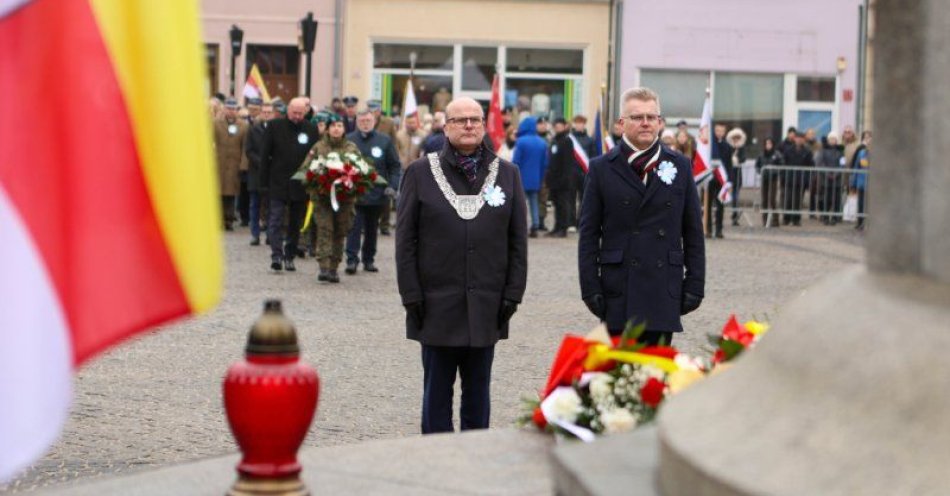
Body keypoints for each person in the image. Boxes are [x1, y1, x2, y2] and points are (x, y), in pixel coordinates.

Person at [395, 96, 528, 434]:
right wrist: (411, 295)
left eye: (475, 120)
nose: (469, 126)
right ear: (445, 127)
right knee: (436, 394)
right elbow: (405, 241)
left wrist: (513, 294)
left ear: (484, 125)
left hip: (487, 304)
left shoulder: (508, 174)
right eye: (460, 120)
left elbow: (517, 242)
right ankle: (438, 463)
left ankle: (475, 460)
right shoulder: (420, 173)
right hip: (436, 304)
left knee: (478, 395)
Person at [578, 87, 705, 345]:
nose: (645, 123)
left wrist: (695, 283)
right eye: (637, 117)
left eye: (651, 116)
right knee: (619, 376)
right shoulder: (602, 168)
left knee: (655, 376)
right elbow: (589, 234)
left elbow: (693, 231)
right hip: (619, 287)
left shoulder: (680, 165)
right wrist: (590, 287)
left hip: (662, 286)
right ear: (621, 123)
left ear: (660, 122)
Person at [260, 97, 319, 272]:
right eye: (294, 112)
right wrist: (263, 183)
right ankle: (276, 255)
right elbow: (264, 156)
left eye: (301, 113)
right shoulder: (274, 126)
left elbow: (315, 157)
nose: (297, 116)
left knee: (295, 223)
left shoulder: (310, 128)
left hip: (300, 184)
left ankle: (290, 255)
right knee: (275, 220)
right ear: (288, 110)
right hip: (277, 182)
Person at [300, 114, 360, 283]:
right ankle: (324, 267)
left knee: (340, 231)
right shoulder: (319, 147)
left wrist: (351, 184)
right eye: (332, 125)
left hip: (345, 199)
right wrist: (316, 182)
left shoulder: (351, 148)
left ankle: (334, 267)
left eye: (339, 125)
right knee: (325, 230)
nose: (336, 129)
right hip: (322, 198)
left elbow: (361, 171)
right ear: (327, 128)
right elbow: (306, 169)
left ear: (344, 128)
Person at [345, 109, 401, 274]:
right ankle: (351, 260)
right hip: (354, 194)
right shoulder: (349, 140)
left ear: (374, 121)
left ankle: (368, 260)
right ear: (357, 122)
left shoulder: (384, 140)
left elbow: (394, 166)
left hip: (378, 194)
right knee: (354, 228)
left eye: (368, 120)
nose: (365, 123)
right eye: (362, 121)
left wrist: (392, 186)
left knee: (371, 229)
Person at [213, 98, 249, 231]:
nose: (231, 111)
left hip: (235, 163)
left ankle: (229, 219)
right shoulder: (216, 123)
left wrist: (244, 165)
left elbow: (245, 147)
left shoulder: (244, 126)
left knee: (231, 193)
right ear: (224, 109)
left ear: (237, 110)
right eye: (228, 108)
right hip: (219, 162)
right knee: (218, 192)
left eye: (233, 109)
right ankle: (218, 219)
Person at [245, 102, 276, 245]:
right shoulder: (253, 129)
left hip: (272, 173)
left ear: (273, 114)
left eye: (269, 112)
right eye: (264, 112)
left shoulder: (277, 129)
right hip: (256, 172)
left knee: (271, 206)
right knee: (254, 205)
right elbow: (249, 151)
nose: (266, 114)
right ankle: (255, 234)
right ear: (260, 113)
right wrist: (261, 162)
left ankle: (271, 235)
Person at [512, 116, 548, 238]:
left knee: (521, 203)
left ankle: (522, 226)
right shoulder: (542, 143)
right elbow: (545, 163)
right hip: (536, 178)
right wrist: (541, 177)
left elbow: (516, 161)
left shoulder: (520, 141)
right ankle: (535, 225)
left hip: (521, 177)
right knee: (534, 202)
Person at [546, 117, 575, 237]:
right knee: (556, 204)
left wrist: (566, 179)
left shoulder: (567, 141)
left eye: (559, 125)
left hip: (563, 179)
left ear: (565, 126)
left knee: (563, 205)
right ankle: (556, 227)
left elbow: (568, 163)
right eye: (556, 125)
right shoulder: (554, 140)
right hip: (554, 179)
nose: (557, 127)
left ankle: (563, 228)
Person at [706, 123, 732, 238]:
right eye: (717, 130)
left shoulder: (727, 146)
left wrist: (730, 180)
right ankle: (708, 229)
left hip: (722, 179)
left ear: (725, 132)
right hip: (710, 178)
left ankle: (719, 229)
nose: (719, 133)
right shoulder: (709, 145)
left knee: (720, 205)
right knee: (708, 204)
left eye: (721, 130)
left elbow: (729, 164)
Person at [782, 133, 815, 226]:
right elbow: (784, 163)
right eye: (797, 138)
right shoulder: (788, 150)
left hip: (801, 180)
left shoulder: (807, 151)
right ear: (795, 139)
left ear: (804, 140)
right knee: (788, 199)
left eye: (801, 138)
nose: (799, 140)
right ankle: (786, 218)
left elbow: (811, 166)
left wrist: (808, 179)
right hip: (790, 178)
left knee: (798, 200)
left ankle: (796, 219)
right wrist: (784, 177)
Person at [755, 137, 784, 227]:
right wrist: (761, 171)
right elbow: (757, 165)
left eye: (770, 144)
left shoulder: (777, 154)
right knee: (764, 200)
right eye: (767, 144)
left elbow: (781, 165)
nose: (768, 145)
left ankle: (775, 220)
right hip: (764, 178)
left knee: (772, 200)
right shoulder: (761, 155)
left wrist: (773, 171)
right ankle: (765, 220)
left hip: (773, 179)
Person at [817, 132, 845, 225]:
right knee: (826, 199)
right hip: (825, 180)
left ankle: (835, 217)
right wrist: (827, 173)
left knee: (837, 199)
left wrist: (836, 174)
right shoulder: (823, 150)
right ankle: (825, 217)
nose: (832, 141)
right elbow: (820, 163)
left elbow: (842, 164)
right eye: (831, 139)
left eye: (834, 139)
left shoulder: (840, 151)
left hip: (837, 180)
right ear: (828, 140)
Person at [850, 130, 871, 230]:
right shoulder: (861, 153)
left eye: (870, 138)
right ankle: (860, 222)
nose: (868, 141)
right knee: (861, 203)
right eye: (866, 139)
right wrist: (853, 182)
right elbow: (856, 167)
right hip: (861, 182)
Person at [726, 127, 747, 227]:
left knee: (735, 197)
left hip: (737, 175)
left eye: (737, 138)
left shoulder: (741, 148)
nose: (736, 140)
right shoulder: (728, 147)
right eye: (734, 138)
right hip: (728, 174)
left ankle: (734, 217)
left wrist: (737, 159)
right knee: (722, 196)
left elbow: (744, 159)